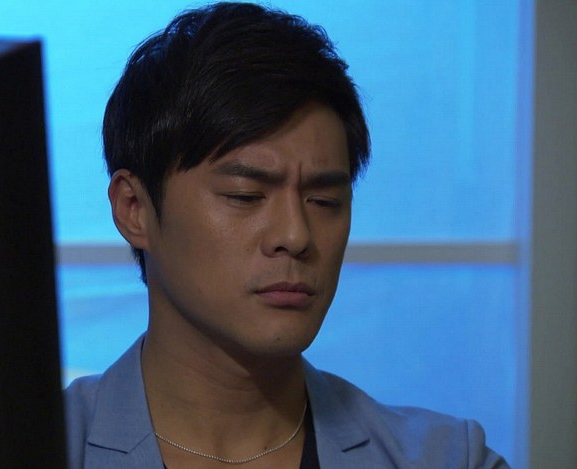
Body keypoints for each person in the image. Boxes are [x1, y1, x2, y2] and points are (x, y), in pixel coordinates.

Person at [64, 2, 508, 468]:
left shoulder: (446, 458)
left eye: (325, 201)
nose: (296, 236)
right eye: (245, 196)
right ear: (134, 209)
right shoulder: (37, 445)